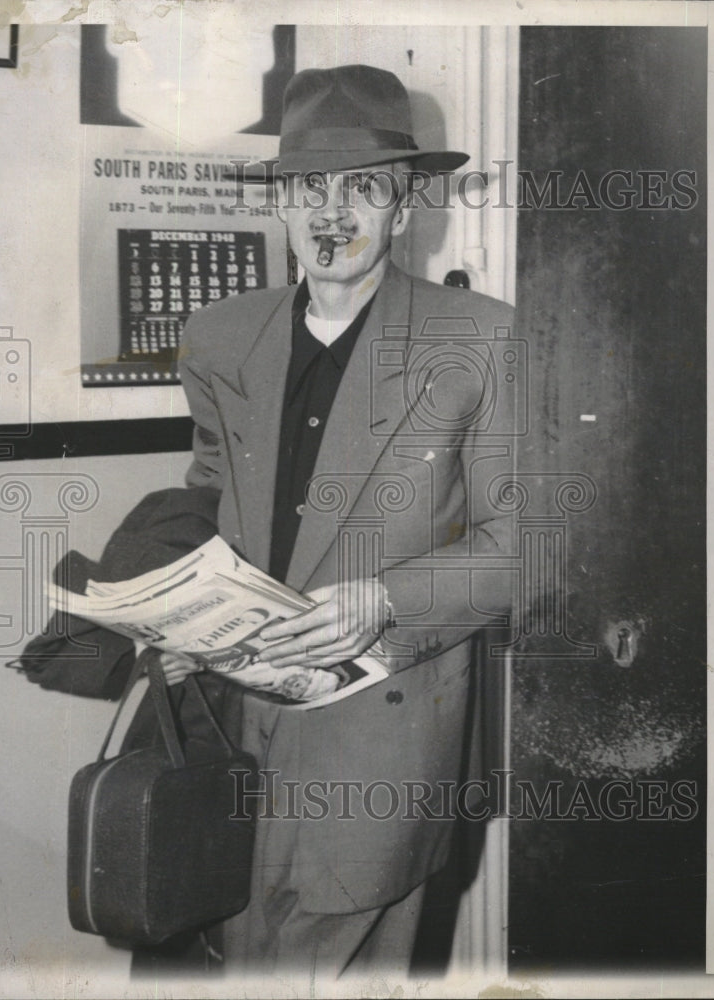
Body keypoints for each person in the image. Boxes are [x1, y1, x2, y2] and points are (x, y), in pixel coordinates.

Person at [172, 64, 518, 977]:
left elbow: (525, 547)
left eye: (363, 188)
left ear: (404, 210)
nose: (333, 212)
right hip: (234, 723)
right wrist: (164, 605)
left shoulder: (479, 339)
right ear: (281, 204)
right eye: (308, 187)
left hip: (380, 733)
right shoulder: (217, 337)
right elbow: (205, 495)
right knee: (238, 961)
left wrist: (383, 600)